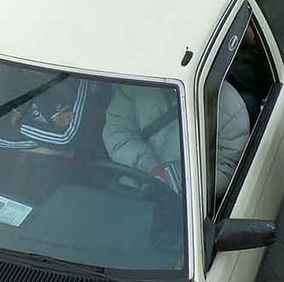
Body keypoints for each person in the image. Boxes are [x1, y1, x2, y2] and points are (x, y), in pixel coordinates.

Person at [103, 81, 248, 200]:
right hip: (130, 193)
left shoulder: (229, 106)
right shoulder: (135, 86)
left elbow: (227, 166)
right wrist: (149, 166)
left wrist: (192, 187)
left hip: (186, 206)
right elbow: (117, 133)